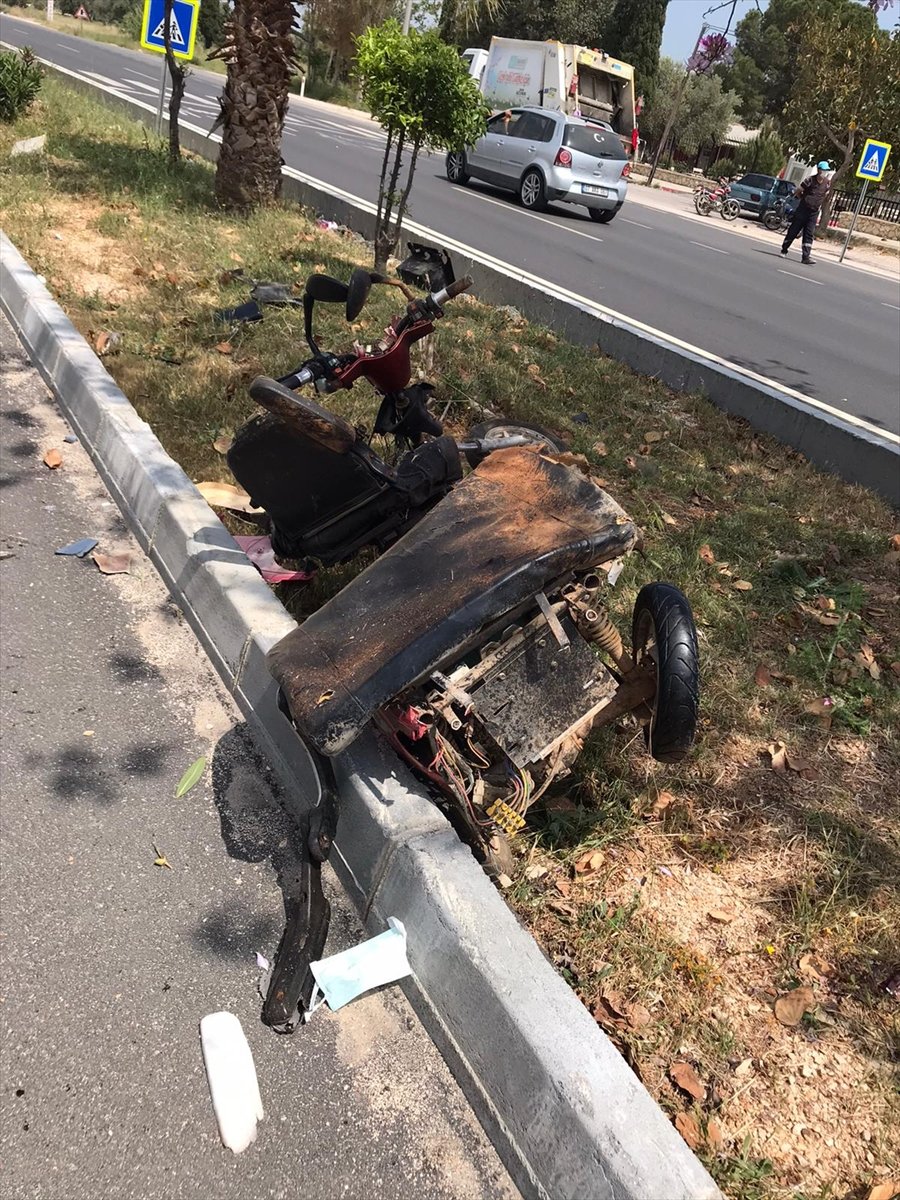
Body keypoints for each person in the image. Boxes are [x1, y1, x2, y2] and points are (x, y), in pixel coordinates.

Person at [781, 161, 833, 265]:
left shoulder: (827, 183)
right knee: (794, 230)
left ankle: (806, 257)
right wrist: (803, 199)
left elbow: (826, 195)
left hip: (813, 213)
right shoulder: (809, 180)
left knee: (809, 233)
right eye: (823, 170)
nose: (824, 172)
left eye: (826, 170)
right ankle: (784, 249)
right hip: (803, 210)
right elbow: (798, 190)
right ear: (818, 170)